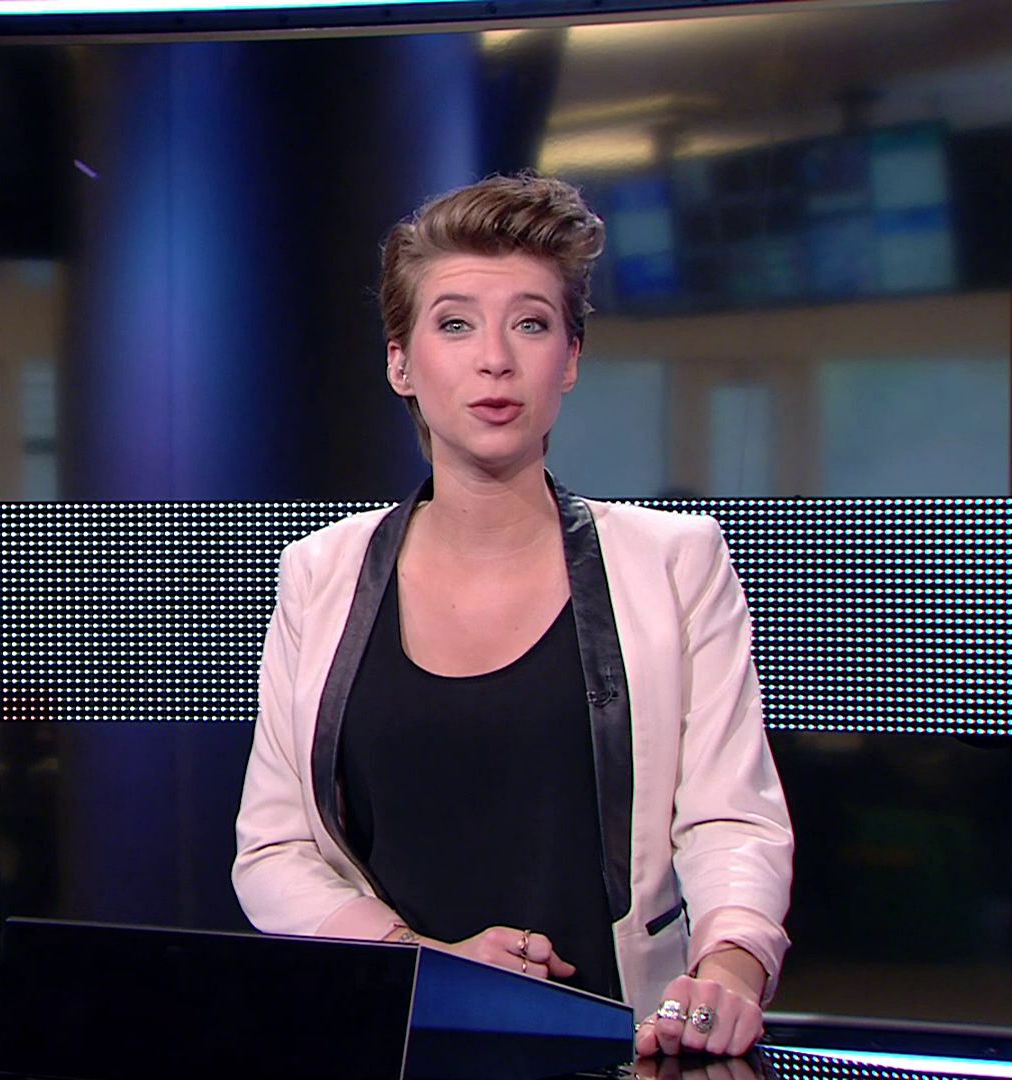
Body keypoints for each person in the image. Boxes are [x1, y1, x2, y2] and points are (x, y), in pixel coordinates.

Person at [230, 173, 793, 1058]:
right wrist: (424, 961)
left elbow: (732, 817)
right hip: (392, 1045)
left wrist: (729, 966)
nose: (495, 359)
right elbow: (275, 849)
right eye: (455, 324)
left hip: (625, 1043)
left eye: (530, 324)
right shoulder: (321, 572)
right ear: (401, 363)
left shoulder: (674, 561)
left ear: (569, 359)